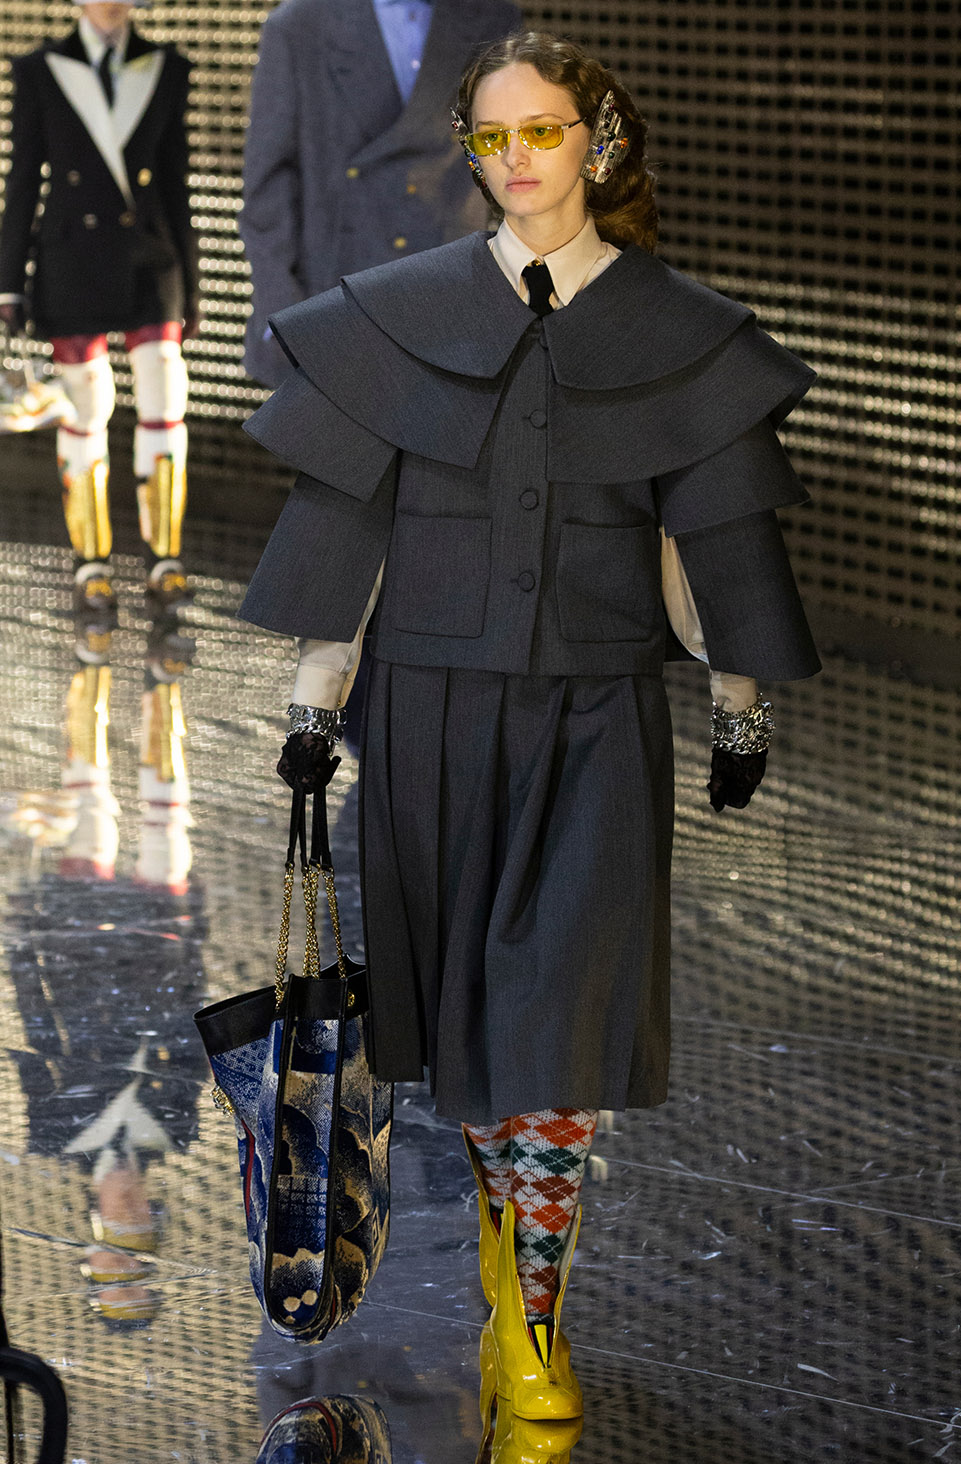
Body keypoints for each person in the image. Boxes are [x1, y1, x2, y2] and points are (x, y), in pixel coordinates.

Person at [237, 30, 821, 1441]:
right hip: (429, 713)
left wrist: (739, 703)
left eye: (541, 131)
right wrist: (315, 706)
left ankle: (536, 1321)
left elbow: (706, 536)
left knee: (556, 1028)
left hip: (596, 716)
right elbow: (355, 527)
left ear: (597, 144)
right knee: (473, 1044)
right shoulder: (399, 317)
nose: (514, 160)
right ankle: (508, 1279)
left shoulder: (680, 329)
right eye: (491, 137)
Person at [0, 0, 199, 658]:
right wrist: (8, 281)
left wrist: (193, 286)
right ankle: (91, 567)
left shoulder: (167, 67)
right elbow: (24, 178)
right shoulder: (39, 69)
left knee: (166, 396)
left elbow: (175, 184)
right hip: (70, 258)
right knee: (85, 407)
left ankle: (165, 563)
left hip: (151, 257)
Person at [240, 0, 521, 388]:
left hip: (453, 298)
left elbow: (514, 161)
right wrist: (284, 312)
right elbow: (267, 184)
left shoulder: (494, 16)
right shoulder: (300, 25)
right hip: (333, 302)